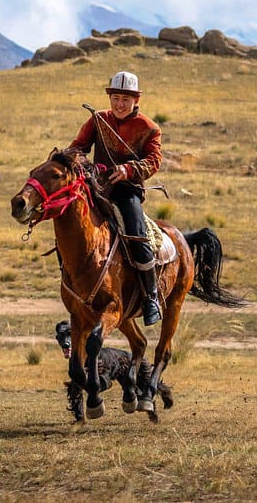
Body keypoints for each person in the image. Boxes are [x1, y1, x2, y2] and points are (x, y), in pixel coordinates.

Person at [69, 71, 163, 325]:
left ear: (136, 100)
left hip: (126, 190)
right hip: (96, 186)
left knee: (137, 233)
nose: (119, 104)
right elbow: (77, 148)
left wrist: (128, 170)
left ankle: (151, 297)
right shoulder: (98, 119)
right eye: (116, 97)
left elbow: (154, 161)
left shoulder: (149, 128)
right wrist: (83, 162)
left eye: (126, 99)